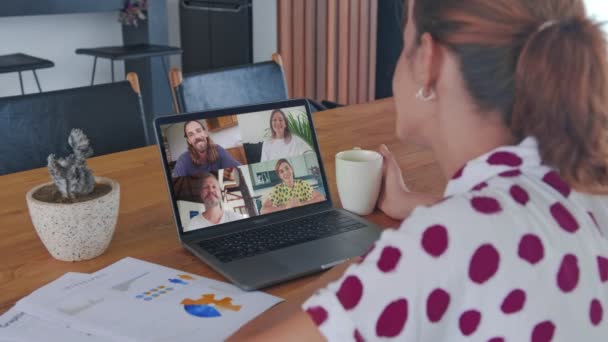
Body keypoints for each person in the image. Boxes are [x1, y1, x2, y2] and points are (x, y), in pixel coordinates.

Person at [230, 0, 608, 340]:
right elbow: (515, 223)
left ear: (428, 60)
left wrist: (353, 271)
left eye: (404, 43)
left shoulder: (439, 248)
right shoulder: (586, 184)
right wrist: (415, 204)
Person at [172, 120, 241, 177]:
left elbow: (239, 173)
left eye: (198, 131)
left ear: (205, 133)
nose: (196, 137)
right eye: (191, 134)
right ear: (189, 141)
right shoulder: (183, 160)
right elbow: (176, 185)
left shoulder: (219, 150)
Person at [260, 159, 325, 214]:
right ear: (279, 176)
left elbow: (321, 197)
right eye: (281, 171)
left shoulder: (302, 184)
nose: (285, 172)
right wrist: (286, 207)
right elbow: (263, 210)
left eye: (287, 168)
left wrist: (301, 204)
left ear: (292, 169)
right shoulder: (277, 189)